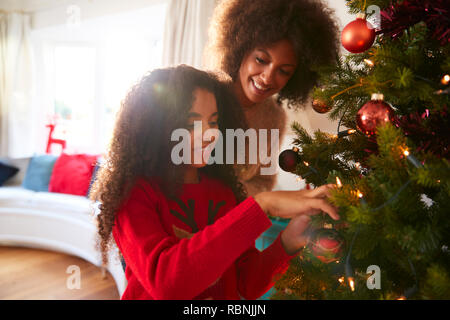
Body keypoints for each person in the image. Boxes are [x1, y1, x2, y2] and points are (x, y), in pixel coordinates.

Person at [89, 65, 339, 300]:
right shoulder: (134, 194)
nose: (209, 134)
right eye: (191, 123)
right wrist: (260, 206)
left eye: (213, 121)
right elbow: (167, 283)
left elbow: (247, 283)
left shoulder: (222, 191)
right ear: (155, 128)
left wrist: (287, 241)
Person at [205, 0, 340, 196]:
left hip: (236, 219)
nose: (268, 77)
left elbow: (263, 182)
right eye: (261, 60)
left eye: (283, 71)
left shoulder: (274, 118)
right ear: (239, 47)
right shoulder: (204, 95)